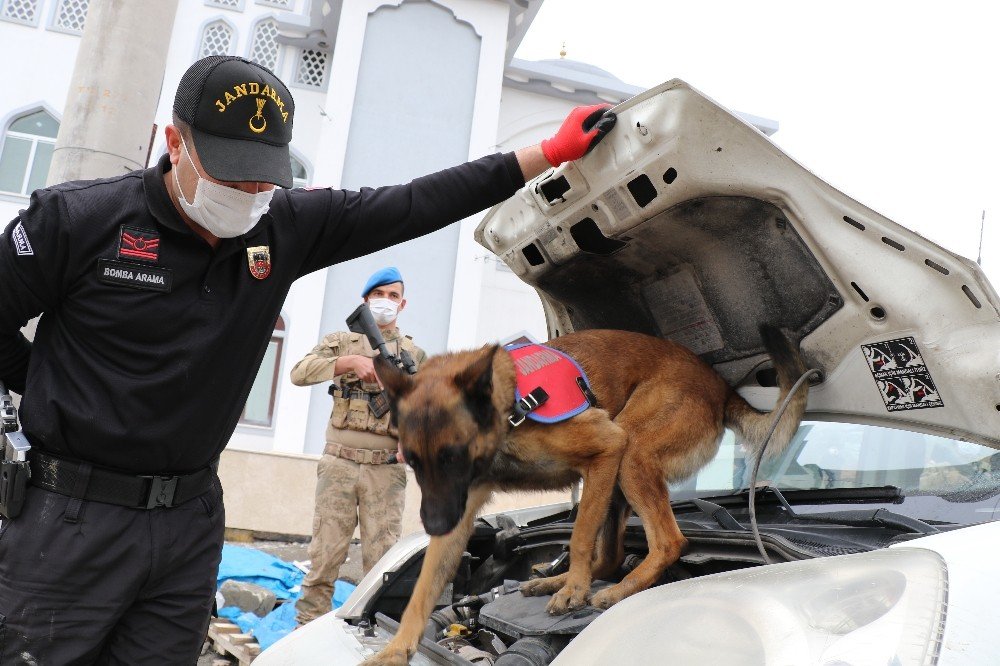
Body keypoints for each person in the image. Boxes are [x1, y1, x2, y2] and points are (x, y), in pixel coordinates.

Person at [0, 54, 615, 664]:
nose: (249, 195)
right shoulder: (80, 221)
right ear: (175, 143)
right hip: (69, 520)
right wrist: (47, 386)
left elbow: (412, 203)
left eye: (263, 179)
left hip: (187, 520)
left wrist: (548, 153)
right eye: (231, 176)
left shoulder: (281, 228)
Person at [290, 266, 424, 626]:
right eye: (379, 295)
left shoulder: (413, 354)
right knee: (324, 558)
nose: (386, 302)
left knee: (382, 565)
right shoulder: (342, 341)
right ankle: (305, 634)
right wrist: (349, 363)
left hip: (385, 471)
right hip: (339, 465)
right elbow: (299, 372)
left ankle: (367, 638)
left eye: (393, 296)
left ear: (403, 303)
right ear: (366, 301)